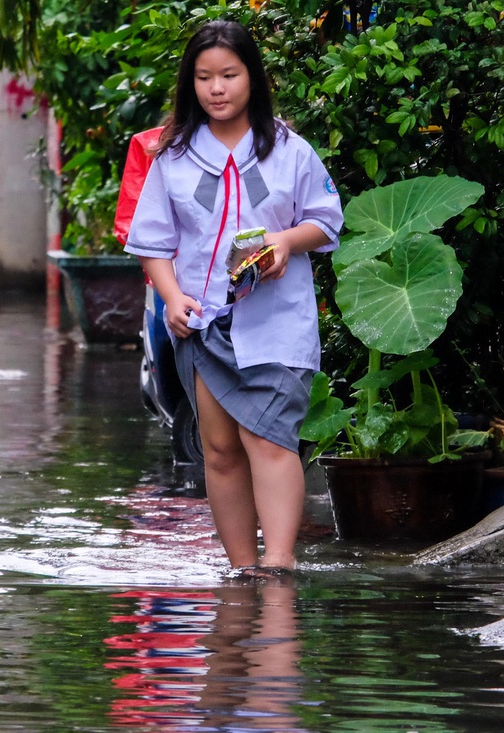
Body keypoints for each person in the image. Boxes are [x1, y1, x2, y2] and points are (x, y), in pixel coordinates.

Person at [124, 20, 343, 578]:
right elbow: (152, 241)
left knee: (270, 438)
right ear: (189, 83)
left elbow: (326, 221)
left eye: (229, 74)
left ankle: (279, 566)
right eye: (203, 77)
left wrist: (284, 242)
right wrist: (171, 299)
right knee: (219, 450)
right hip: (203, 325)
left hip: (276, 322)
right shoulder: (172, 156)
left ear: (253, 78)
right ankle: (244, 571)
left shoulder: (289, 149)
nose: (216, 88)